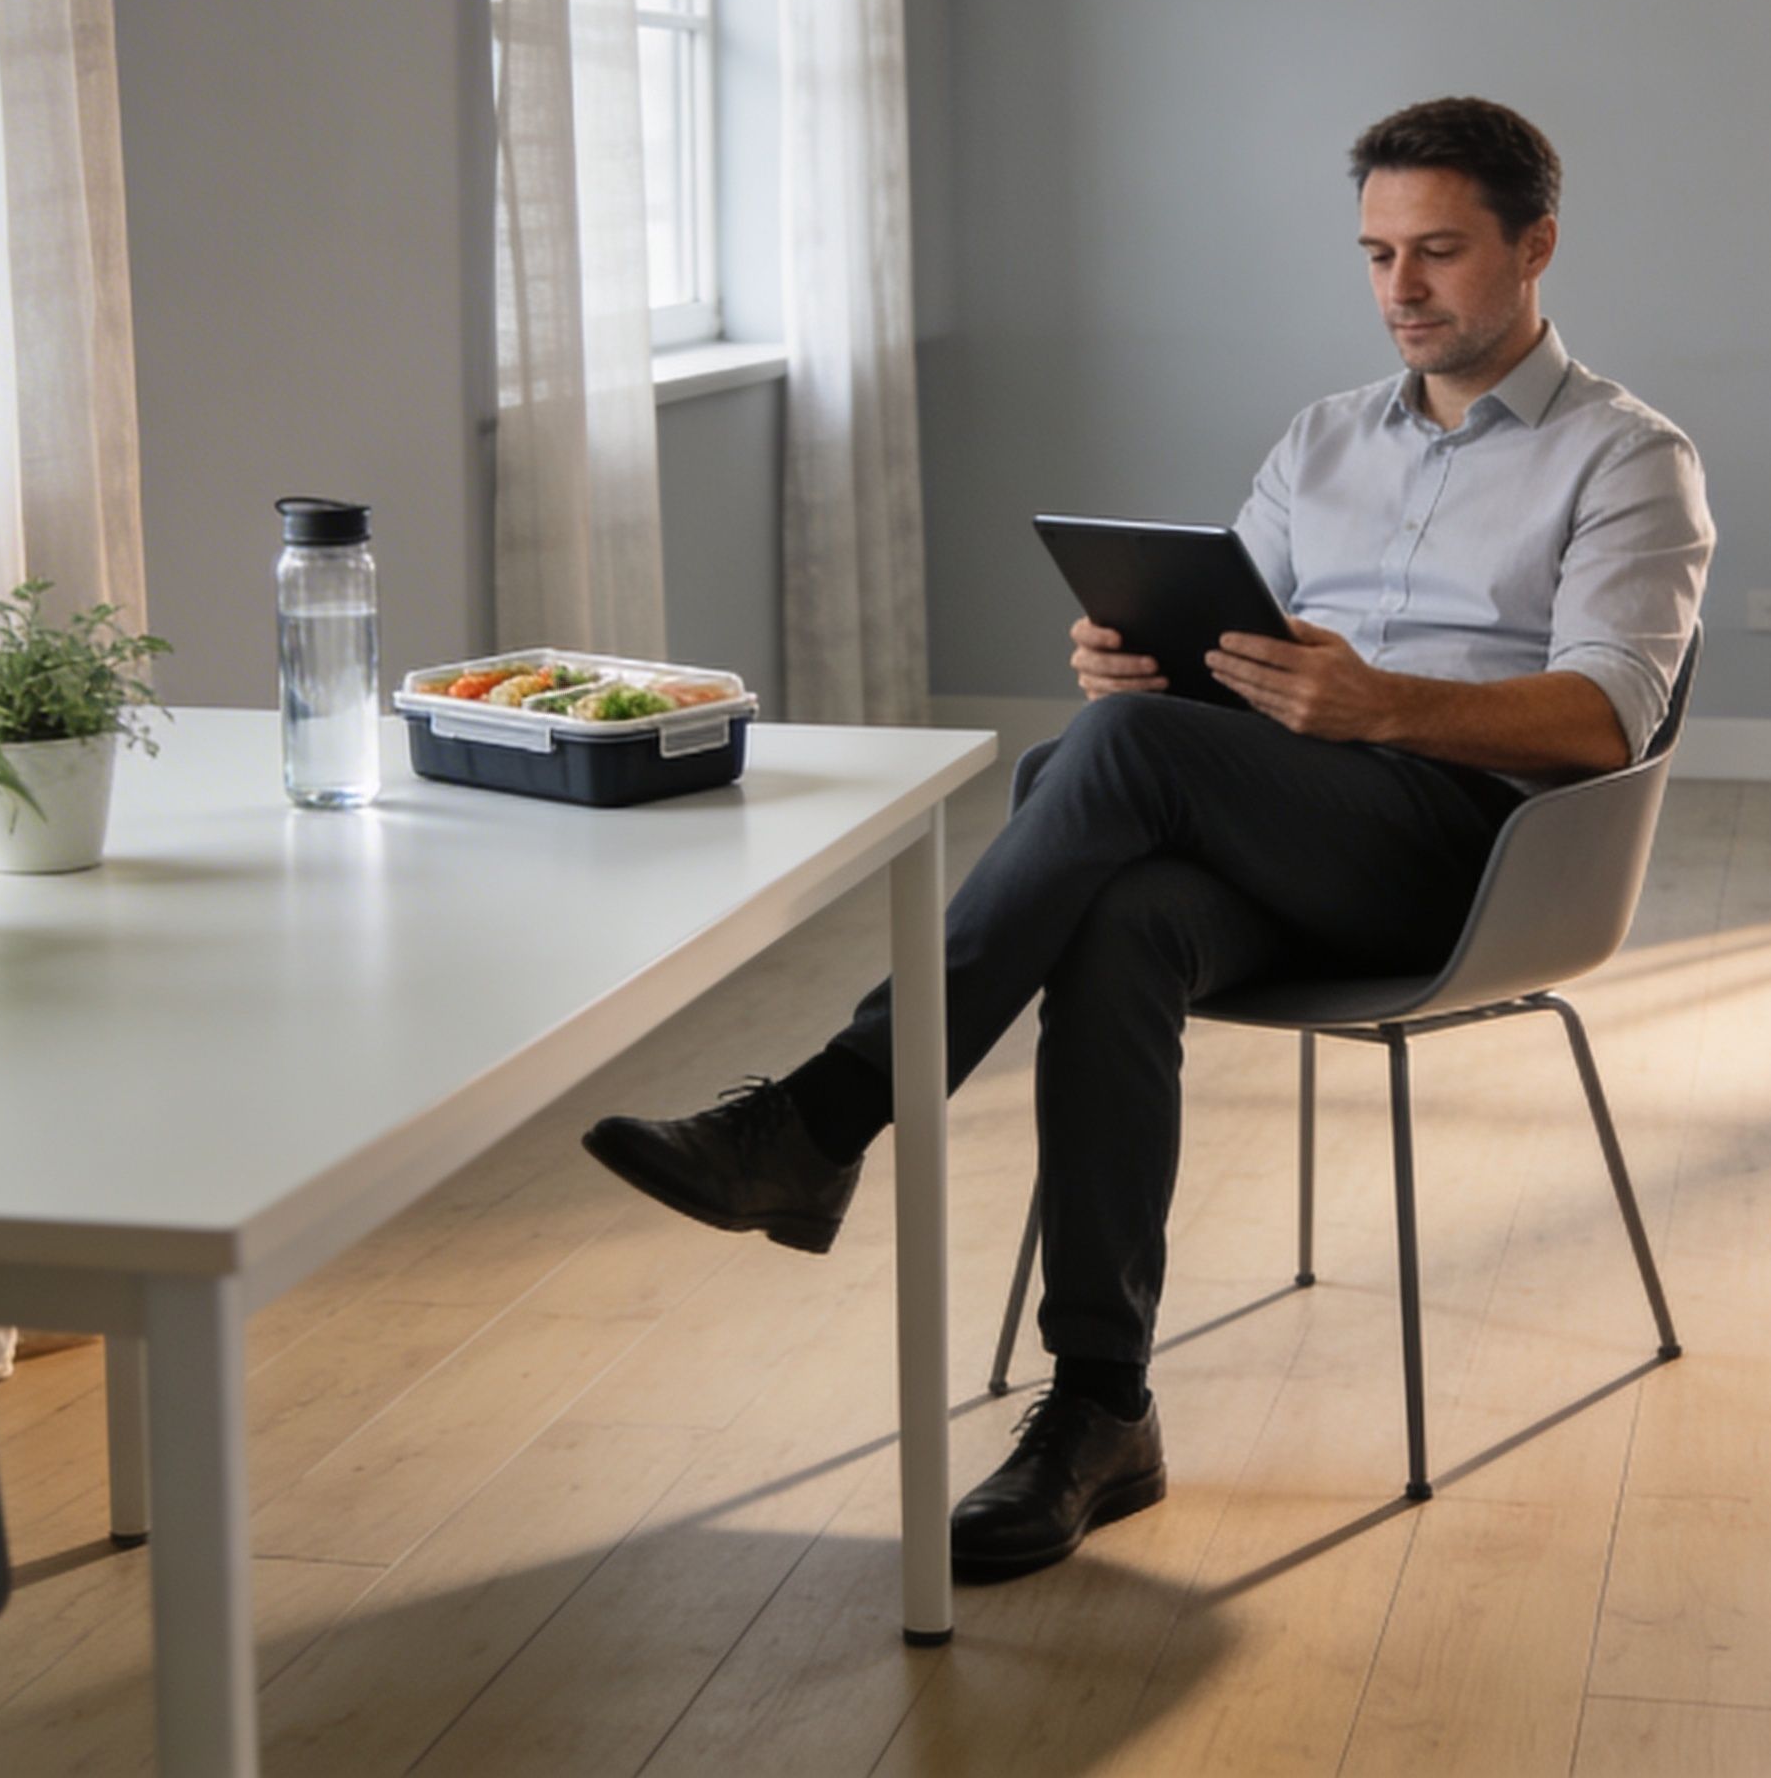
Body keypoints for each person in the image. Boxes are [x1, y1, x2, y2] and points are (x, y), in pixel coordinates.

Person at [583, 96, 1712, 1580]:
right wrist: (1152, 667)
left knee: (1098, 764)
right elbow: (1237, 645)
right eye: (1375, 254)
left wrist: (1374, 703)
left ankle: (832, 1111)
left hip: (1473, 860)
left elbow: (1610, 719)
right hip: (1278, 827)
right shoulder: (1319, 441)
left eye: (1437, 252)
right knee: (1119, 912)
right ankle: (1103, 1411)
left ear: (1536, 246)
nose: (1400, 290)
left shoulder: (1628, 459)